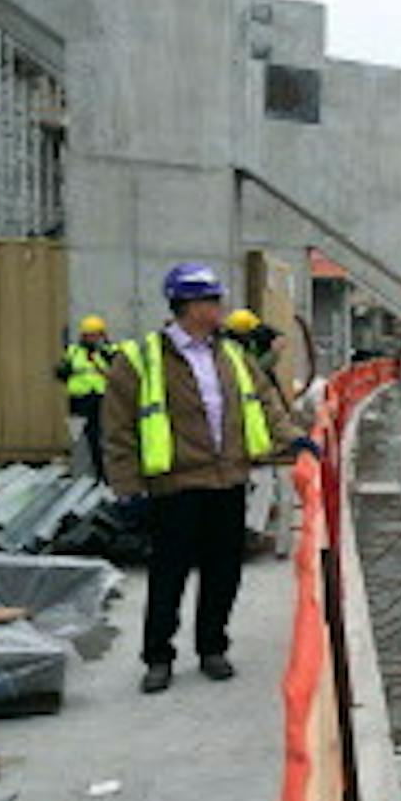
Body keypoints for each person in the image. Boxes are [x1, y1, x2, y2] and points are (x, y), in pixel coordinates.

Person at [103, 264, 315, 694]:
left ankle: (212, 647)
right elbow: (118, 429)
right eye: (211, 301)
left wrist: (295, 440)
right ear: (188, 306)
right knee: (169, 575)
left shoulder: (233, 356)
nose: (219, 308)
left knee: (223, 572)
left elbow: (267, 405)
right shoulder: (141, 359)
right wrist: (127, 488)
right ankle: (158, 657)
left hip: (228, 480)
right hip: (176, 486)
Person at [55, 314, 116, 477]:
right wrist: (65, 371)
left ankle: (101, 472)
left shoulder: (107, 352)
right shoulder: (74, 352)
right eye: (90, 334)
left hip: (99, 399)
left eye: (96, 334)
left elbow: (117, 371)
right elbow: (61, 372)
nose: (93, 338)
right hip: (79, 400)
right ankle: (77, 469)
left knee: (99, 437)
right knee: (77, 437)